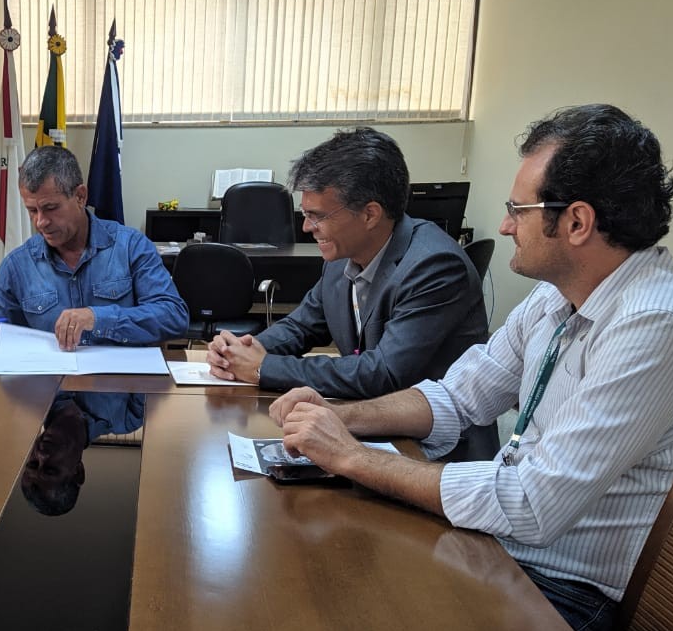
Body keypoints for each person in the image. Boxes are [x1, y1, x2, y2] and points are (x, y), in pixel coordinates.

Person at [272, 105, 673, 631]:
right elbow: (457, 395)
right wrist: (340, 420)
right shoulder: (557, 296)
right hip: (506, 549)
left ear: (577, 222)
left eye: (517, 209)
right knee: (326, 591)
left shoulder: (659, 322)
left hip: (570, 589)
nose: (504, 225)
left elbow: (532, 504)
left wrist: (355, 458)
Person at [205, 128, 491, 458]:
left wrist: (262, 367)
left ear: (370, 214)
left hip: (437, 455)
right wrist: (242, 350)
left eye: (317, 216)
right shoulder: (342, 256)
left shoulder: (435, 266)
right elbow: (302, 326)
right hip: (367, 429)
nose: (306, 228)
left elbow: (382, 373)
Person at [0, 146, 187, 352]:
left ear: (80, 196)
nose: (40, 222)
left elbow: (173, 317)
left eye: (50, 208)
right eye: (32, 211)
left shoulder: (130, 248)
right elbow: (5, 330)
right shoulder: (17, 265)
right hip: (47, 393)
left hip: (116, 390)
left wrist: (98, 318)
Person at [21, 392, 145, 516]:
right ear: (78, 472)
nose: (42, 455)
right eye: (51, 469)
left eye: (33, 463)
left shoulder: (28, 400)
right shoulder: (127, 416)